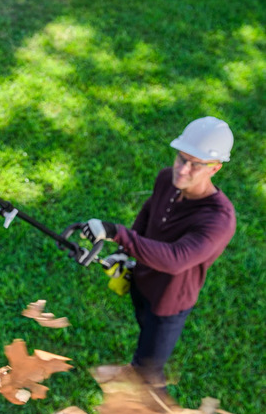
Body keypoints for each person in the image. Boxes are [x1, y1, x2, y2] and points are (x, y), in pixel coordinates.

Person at [80, 116, 237, 389]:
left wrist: (117, 232)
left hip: (169, 302)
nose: (183, 169)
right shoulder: (167, 179)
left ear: (215, 168)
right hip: (142, 281)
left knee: (151, 371)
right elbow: (150, 210)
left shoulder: (219, 220)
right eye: (181, 158)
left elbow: (176, 259)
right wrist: (124, 254)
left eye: (195, 164)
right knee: (144, 335)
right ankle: (136, 365)